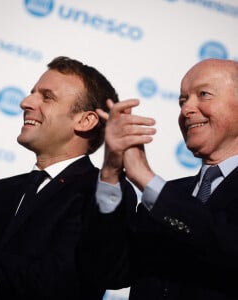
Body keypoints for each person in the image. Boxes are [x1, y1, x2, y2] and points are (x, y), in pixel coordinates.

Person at [0, 56, 126, 300]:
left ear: (85, 120)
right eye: (32, 93)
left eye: (47, 97)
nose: (25, 103)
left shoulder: (102, 193)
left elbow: (61, 281)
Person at [79, 58, 238, 299]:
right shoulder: (168, 195)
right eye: (182, 101)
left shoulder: (161, 195)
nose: (186, 109)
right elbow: (111, 272)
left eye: (203, 94)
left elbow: (226, 244)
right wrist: (111, 173)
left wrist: (145, 177)